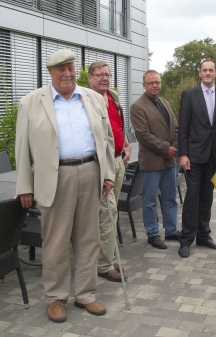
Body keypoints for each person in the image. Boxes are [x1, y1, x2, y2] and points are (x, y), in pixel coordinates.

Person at [15, 50, 116, 322]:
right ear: (50, 72)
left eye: (70, 67)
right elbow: (21, 148)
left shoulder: (93, 99)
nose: (67, 73)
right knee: (56, 241)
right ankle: (56, 297)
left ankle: (86, 294)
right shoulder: (31, 102)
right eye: (61, 69)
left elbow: (105, 140)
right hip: (55, 176)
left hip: (90, 171)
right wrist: (25, 185)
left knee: (88, 238)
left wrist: (108, 174)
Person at [177, 59, 216, 258]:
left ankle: (204, 236)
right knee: (192, 195)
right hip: (194, 156)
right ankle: (186, 238)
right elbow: (183, 126)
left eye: (211, 70)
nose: (207, 73)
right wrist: (183, 154)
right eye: (204, 70)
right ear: (200, 73)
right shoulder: (189, 95)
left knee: (208, 196)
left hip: (215, 157)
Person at [87, 60, 131, 283]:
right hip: (101, 165)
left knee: (111, 214)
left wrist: (127, 143)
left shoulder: (112, 97)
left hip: (118, 161)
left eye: (107, 74)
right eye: (99, 75)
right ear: (90, 78)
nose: (104, 78)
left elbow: (119, 125)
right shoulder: (85, 101)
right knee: (107, 212)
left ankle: (107, 254)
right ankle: (104, 265)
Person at [130, 70, 179, 250]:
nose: (155, 86)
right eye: (151, 83)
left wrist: (173, 148)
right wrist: (166, 148)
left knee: (170, 198)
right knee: (150, 200)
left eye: (157, 82)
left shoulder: (165, 103)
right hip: (151, 161)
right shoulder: (137, 106)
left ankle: (171, 230)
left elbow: (175, 128)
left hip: (169, 161)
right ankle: (152, 233)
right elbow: (143, 135)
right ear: (144, 85)